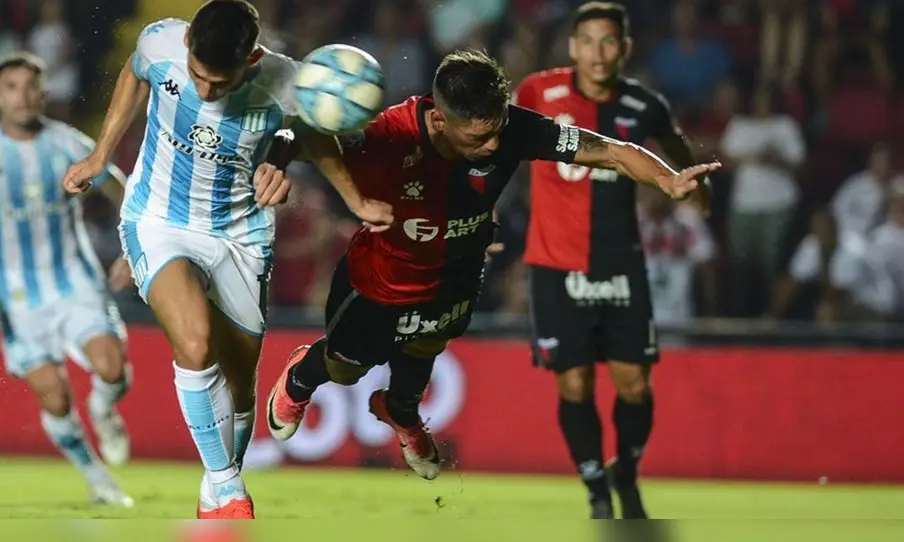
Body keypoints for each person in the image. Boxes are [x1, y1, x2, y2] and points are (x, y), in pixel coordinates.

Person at [265, 50, 719, 494]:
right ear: (440, 120)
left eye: (498, 131)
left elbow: (611, 152)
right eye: (479, 139)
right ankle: (302, 377)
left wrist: (665, 178)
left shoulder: (513, 127)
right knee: (346, 372)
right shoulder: (388, 136)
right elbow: (296, 134)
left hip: (456, 273)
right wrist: (276, 163)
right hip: (379, 282)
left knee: (428, 344)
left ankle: (400, 413)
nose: (495, 146)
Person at [61, 0, 392, 520]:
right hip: (157, 221)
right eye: (197, 76)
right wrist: (102, 153)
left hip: (239, 233)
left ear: (251, 59)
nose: (204, 90)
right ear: (188, 43)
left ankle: (216, 490)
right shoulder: (160, 41)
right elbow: (133, 70)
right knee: (195, 343)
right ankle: (228, 487)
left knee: (240, 390)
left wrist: (300, 169)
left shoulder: (285, 78)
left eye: (220, 82)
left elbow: (307, 131)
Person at [512, 2, 711, 519]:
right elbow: (496, 144)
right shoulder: (536, 92)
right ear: (572, 47)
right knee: (574, 383)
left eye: (609, 42)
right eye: (588, 42)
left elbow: (679, 158)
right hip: (555, 264)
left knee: (635, 385)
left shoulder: (645, 105)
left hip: (620, 262)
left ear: (624, 48)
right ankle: (596, 485)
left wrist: (697, 191)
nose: (598, 54)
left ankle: (626, 468)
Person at [0, 52, 135, 507]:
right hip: (16, 294)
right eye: (12, 87)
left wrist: (131, 249)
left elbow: (122, 188)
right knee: (54, 395)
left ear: (44, 93)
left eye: (31, 86)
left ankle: (104, 410)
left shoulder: (67, 143)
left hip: (75, 278)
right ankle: (96, 477)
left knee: (111, 368)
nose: (23, 96)